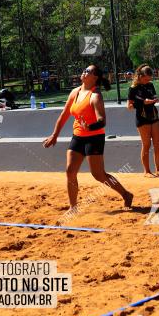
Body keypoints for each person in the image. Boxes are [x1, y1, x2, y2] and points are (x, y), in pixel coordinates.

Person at [43, 64, 133, 211]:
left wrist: (89, 127)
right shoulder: (75, 92)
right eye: (84, 70)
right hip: (78, 136)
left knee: (98, 175)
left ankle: (126, 194)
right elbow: (64, 115)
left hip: (94, 137)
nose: (84, 72)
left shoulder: (95, 96)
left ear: (95, 77)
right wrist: (54, 135)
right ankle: (73, 207)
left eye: (88, 71)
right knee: (70, 171)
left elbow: (102, 120)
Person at [127, 65, 159, 176]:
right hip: (142, 119)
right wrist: (143, 103)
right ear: (140, 76)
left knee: (158, 144)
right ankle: (147, 171)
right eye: (146, 79)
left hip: (154, 116)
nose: (148, 81)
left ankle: (158, 170)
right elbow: (129, 106)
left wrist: (155, 99)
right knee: (146, 145)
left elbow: (154, 95)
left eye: (149, 79)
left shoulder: (150, 85)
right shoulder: (133, 88)